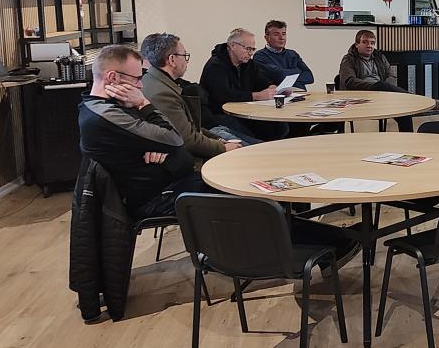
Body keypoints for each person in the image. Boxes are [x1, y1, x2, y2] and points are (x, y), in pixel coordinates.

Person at [78, 45, 201, 218]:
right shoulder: (107, 116)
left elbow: (167, 140)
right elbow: (174, 138)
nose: (141, 85)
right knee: (230, 197)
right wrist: (144, 103)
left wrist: (160, 145)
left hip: (168, 186)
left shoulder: (115, 105)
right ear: (113, 77)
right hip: (153, 200)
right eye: (136, 79)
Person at [140, 32, 243, 161]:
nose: (187, 61)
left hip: (191, 147)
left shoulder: (156, 81)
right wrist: (223, 148)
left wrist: (218, 139)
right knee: (244, 154)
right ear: (172, 60)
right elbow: (187, 140)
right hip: (186, 160)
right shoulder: (162, 93)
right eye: (184, 55)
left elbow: (190, 129)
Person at [200, 28, 288, 141]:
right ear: (232, 46)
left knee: (280, 127)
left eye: (253, 49)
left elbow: (260, 80)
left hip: (244, 110)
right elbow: (223, 96)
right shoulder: (216, 65)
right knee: (252, 132)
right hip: (220, 113)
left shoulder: (247, 63)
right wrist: (255, 96)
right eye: (247, 49)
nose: (251, 53)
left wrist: (272, 86)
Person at [338, 29, 413, 132]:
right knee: (380, 85)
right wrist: (373, 86)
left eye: (372, 43)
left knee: (405, 112)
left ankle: (408, 140)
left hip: (381, 95)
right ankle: (414, 99)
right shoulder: (349, 60)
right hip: (360, 96)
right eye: (365, 42)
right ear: (357, 44)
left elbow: (391, 76)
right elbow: (349, 82)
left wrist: (385, 90)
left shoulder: (379, 57)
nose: (369, 46)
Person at [254, 19, 314, 89]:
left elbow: (309, 77)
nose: (281, 38)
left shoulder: (292, 54)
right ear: (266, 38)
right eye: (276, 34)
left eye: (283, 34)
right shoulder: (260, 56)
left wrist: (285, 75)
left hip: (300, 94)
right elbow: (280, 75)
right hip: (278, 95)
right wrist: (298, 71)